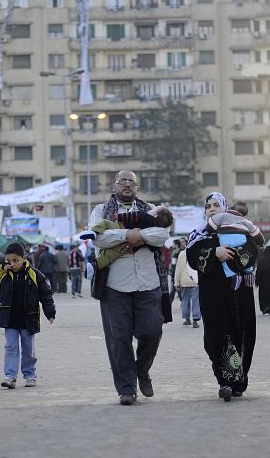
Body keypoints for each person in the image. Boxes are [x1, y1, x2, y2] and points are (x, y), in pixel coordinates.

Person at [89, 170, 170, 406]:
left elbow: (161, 234)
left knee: (152, 331)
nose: (127, 185)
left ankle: (141, 371)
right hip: (115, 285)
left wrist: (136, 235)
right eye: (122, 181)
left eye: (131, 182)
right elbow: (98, 239)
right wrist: (130, 234)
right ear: (114, 185)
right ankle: (127, 389)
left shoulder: (150, 209)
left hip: (148, 282)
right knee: (119, 339)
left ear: (136, 187)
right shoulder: (99, 211)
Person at [186, 192, 263, 402]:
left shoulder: (240, 228)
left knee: (243, 336)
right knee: (216, 338)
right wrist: (215, 252)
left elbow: (252, 252)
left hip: (240, 296)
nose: (211, 209)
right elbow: (192, 257)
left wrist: (233, 256)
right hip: (213, 299)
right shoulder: (199, 234)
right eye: (208, 206)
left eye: (215, 205)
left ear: (224, 208)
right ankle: (225, 382)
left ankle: (239, 380)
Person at [0, 241, 55, 389]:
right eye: (8, 261)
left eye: (15, 260)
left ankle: (30, 375)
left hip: (28, 319)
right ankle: (10, 377)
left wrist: (50, 312)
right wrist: (0, 267)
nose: (12, 264)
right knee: (10, 347)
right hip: (9, 319)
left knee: (28, 349)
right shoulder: (3, 274)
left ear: (24, 258)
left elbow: (46, 295)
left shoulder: (35, 274)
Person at [83, 206, 174, 270]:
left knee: (105, 223)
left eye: (153, 210)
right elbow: (153, 248)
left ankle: (94, 232)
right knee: (110, 254)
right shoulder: (157, 233)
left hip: (121, 228)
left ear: (155, 215)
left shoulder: (146, 217)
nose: (150, 210)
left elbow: (135, 215)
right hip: (130, 247)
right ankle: (95, 265)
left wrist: (119, 217)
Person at [173, 241, 200, 328]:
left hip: (184, 281)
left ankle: (187, 319)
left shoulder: (182, 254)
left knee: (185, 301)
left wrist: (176, 282)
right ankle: (195, 320)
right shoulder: (198, 252)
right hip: (195, 280)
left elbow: (178, 269)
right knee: (196, 301)